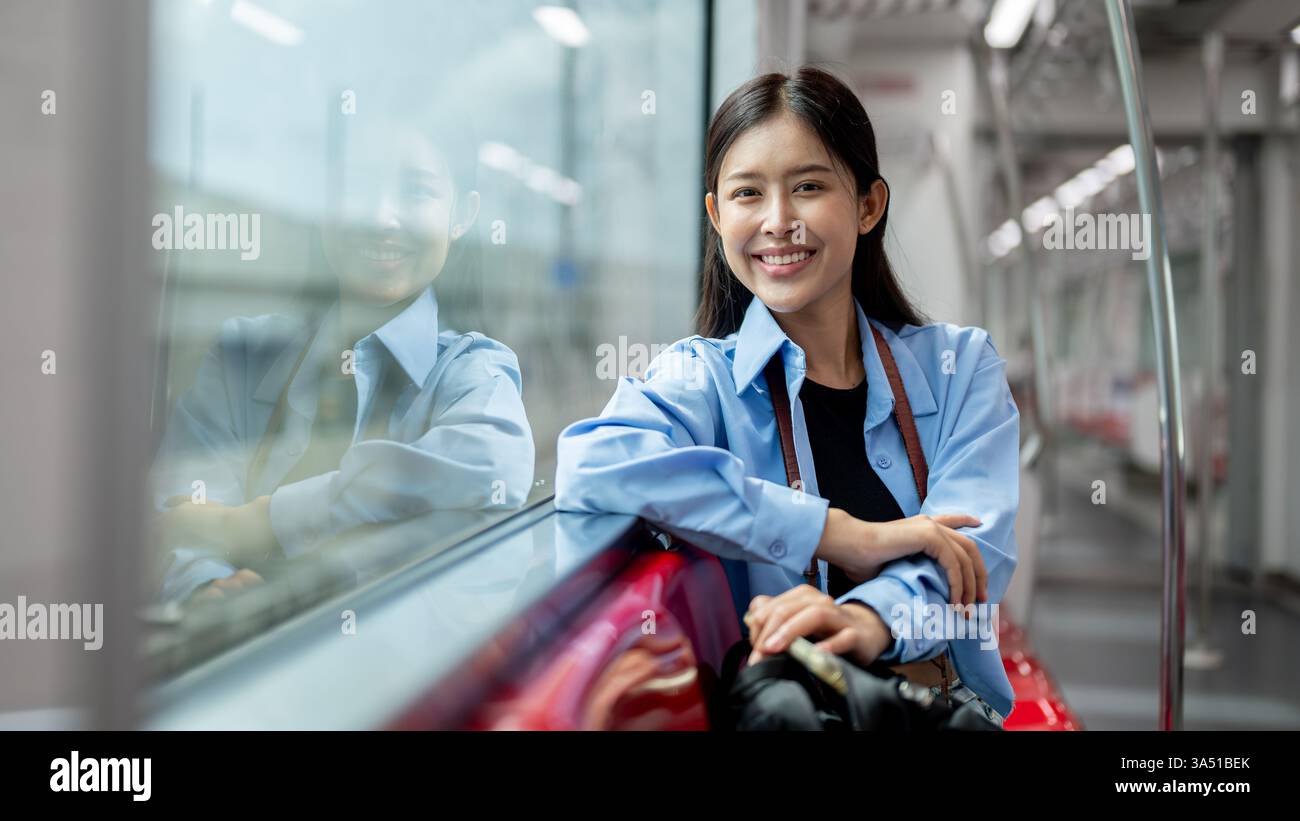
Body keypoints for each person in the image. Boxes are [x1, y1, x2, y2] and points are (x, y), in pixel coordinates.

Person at [555, 66, 1019, 724]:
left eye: (808, 187)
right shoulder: (702, 380)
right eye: (748, 193)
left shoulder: (959, 368)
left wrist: (862, 617)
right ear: (717, 216)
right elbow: (592, 466)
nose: (778, 222)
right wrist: (837, 533)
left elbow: (976, 556)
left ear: (868, 205)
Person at [151, 102, 535, 604]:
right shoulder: (246, 354)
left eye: (415, 191)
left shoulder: (471, 373)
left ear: (462, 215)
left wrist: (259, 522)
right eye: (355, 186)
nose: (380, 217)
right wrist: (205, 584)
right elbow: (177, 508)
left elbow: (492, 464)